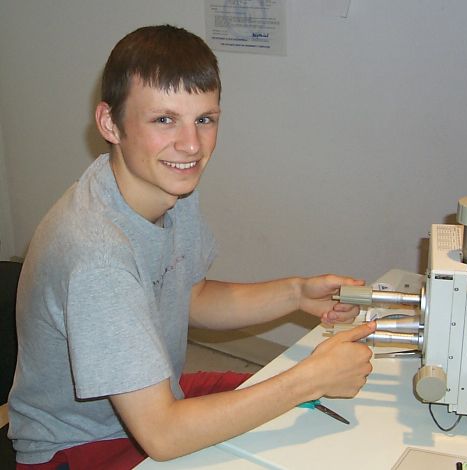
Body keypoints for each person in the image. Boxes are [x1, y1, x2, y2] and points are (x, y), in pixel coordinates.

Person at [8, 25, 375, 469]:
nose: (191, 145)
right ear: (110, 123)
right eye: (164, 119)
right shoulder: (97, 257)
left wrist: (295, 294)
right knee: (297, 401)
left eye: (204, 119)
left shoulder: (167, 187)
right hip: (84, 446)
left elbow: (190, 296)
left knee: (303, 409)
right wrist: (309, 379)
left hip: (153, 404)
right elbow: (163, 436)